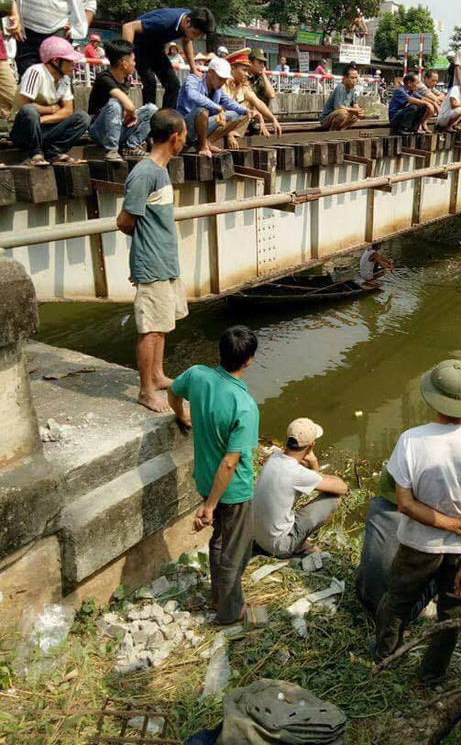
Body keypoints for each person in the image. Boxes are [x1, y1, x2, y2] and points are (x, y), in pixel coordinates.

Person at [375, 359, 461, 686]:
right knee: (450, 614)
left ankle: (385, 660)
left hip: (418, 545)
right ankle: (431, 678)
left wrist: (446, 523)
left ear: (431, 398)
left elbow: (404, 504)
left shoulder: (411, 441)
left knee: (398, 604)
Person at [167, 326, 259, 625]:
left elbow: (172, 391)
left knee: (220, 540)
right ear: (249, 360)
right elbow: (231, 463)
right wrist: (210, 506)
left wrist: (181, 414)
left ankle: (219, 595)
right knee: (235, 550)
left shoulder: (196, 375)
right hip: (231, 490)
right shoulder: (244, 405)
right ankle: (230, 612)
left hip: (205, 480)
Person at [116, 109, 189, 413]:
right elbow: (124, 221)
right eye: (184, 137)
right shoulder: (145, 173)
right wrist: (142, 259)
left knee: (161, 324)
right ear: (174, 138)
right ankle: (146, 390)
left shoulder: (160, 171)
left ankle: (157, 376)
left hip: (165, 260)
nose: (185, 142)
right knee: (150, 328)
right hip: (153, 261)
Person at [356, 464, 461, 616]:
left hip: (362, 593)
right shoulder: (421, 521)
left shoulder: (377, 504)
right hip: (397, 611)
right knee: (450, 555)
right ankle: (427, 607)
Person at [253, 418, 348, 558]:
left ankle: (297, 537)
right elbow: (342, 488)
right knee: (334, 499)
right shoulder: (297, 473)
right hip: (278, 547)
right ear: (311, 446)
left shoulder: (274, 458)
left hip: (258, 536)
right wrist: (314, 462)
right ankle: (298, 544)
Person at [10, 36, 90, 166]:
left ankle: (55, 152)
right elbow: (24, 108)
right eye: (70, 61)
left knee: (82, 118)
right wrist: (51, 109)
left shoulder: (65, 79)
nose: (73, 66)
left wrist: (40, 120)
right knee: (30, 111)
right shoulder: (35, 72)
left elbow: (68, 111)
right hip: (23, 132)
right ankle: (35, 153)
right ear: (56, 60)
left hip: (43, 128)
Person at [122, 7, 215, 109]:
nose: (194, 37)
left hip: (156, 47)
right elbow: (128, 27)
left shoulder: (190, 20)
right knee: (150, 82)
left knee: (173, 85)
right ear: (188, 21)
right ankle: (148, 117)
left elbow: (187, 40)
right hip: (139, 46)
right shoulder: (165, 21)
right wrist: (127, 57)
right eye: (194, 33)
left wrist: (193, 69)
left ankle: (167, 118)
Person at [88, 39, 157, 163]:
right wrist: (130, 112)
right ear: (124, 63)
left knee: (152, 109)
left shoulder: (126, 80)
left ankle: (132, 146)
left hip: (117, 127)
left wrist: (128, 115)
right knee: (114, 104)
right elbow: (128, 105)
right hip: (99, 132)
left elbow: (126, 109)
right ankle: (111, 150)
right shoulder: (104, 78)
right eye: (133, 60)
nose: (135, 64)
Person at [176, 56, 248, 154]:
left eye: (224, 79)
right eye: (220, 78)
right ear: (210, 73)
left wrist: (246, 110)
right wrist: (217, 107)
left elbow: (228, 102)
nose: (222, 82)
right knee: (202, 111)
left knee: (236, 115)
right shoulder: (193, 79)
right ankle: (202, 146)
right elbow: (192, 95)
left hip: (204, 127)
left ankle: (208, 142)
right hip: (186, 127)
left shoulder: (218, 89)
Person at [224, 49, 282, 139]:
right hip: (217, 123)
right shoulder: (222, 83)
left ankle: (234, 134)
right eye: (244, 70)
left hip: (230, 123)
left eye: (247, 71)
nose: (246, 74)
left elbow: (259, 102)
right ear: (232, 69)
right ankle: (230, 134)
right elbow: (222, 109)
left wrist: (273, 119)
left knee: (248, 106)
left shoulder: (242, 85)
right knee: (244, 109)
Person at [247, 48, 281, 136]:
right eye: (259, 63)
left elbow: (271, 95)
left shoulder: (259, 77)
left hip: (256, 114)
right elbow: (251, 100)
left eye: (263, 63)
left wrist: (264, 75)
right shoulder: (244, 76)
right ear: (250, 63)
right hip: (247, 112)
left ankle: (256, 122)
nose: (262, 66)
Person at [319, 64, 365, 130]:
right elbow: (337, 107)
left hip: (340, 116)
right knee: (342, 113)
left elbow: (355, 105)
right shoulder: (340, 87)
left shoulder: (352, 89)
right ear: (345, 78)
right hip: (327, 119)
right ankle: (333, 132)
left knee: (355, 115)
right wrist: (353, 110)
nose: (354, 80)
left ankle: (341, 129)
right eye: (352, 78)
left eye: (356, 78)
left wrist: (359, 111)